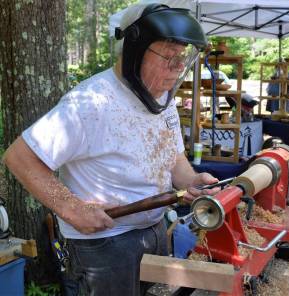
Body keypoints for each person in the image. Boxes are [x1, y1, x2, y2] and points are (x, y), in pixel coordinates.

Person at [2, 3, 220, 295]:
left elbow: (172, 155)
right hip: (105, 244)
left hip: (154, 231)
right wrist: (72, 208)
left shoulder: (161, 95)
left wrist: (191, 181)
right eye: (169, 56)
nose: (178, 67)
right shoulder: (89, 104)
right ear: (134, 51)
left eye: (182, 57)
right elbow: (19, 157)